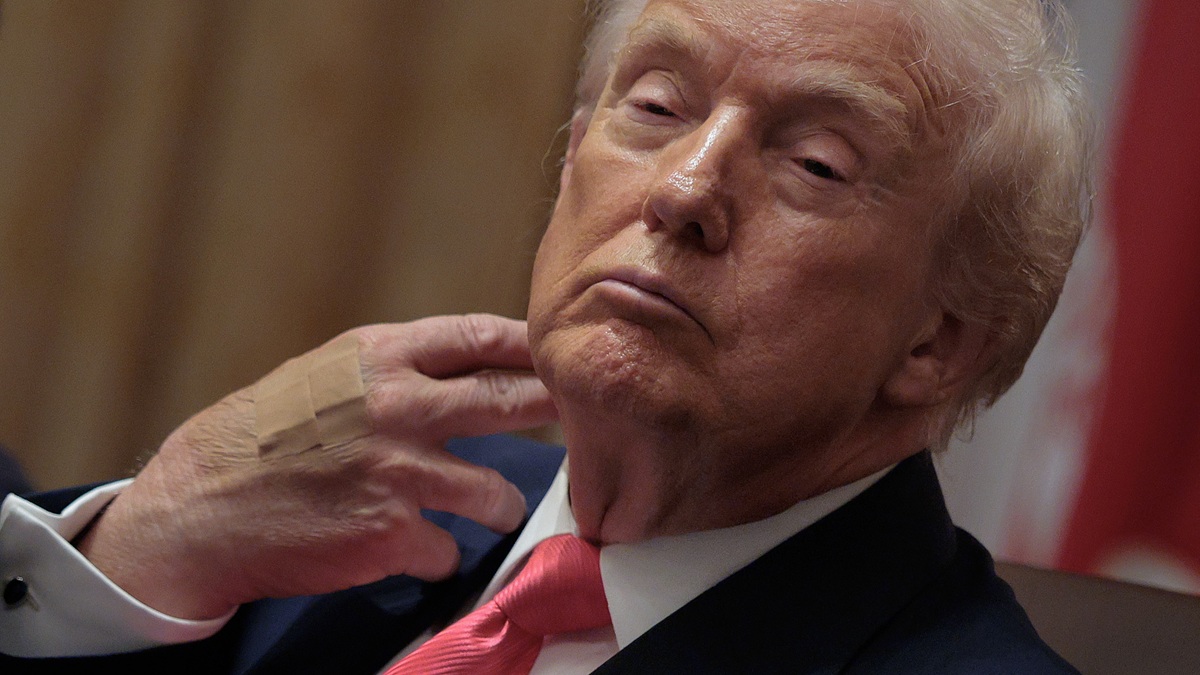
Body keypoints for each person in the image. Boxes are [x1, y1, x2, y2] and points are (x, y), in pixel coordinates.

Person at [0, 0, 1092, 671]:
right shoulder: (365, 493)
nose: (684, 189)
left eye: (815, 166)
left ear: (939, 342)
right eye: (657, 107)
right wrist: (146, 539)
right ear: (572, 159)